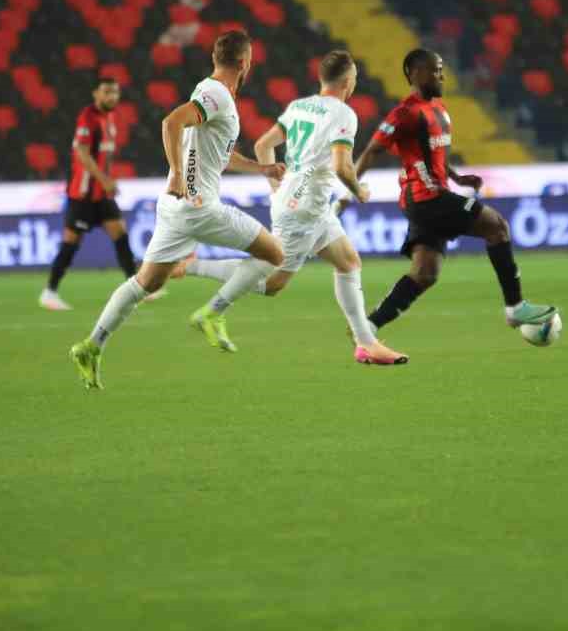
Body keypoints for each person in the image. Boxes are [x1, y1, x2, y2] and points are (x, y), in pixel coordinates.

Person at [69, 31, 285, 391]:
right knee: (275, 254)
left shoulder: (215, 97)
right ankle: (212, 311)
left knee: (146, 282)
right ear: (246, 63)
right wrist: (182, 180)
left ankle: (91, 346)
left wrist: (262, 169)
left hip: (175, 209)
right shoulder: (215, 93)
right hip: (199, 206)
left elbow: (221, 154)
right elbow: (171, 122)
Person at [180, 50, 408, 366]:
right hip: (305, 209)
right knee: (273, 282)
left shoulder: (299, 106)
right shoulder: (343, 114)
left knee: (348, 263)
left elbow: (263, 145)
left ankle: (365, 343)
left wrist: (278, 187)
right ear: (347, 81)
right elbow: (343, 167)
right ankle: (196, 275)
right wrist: (360, 190)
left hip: (306, 205)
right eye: (354, 76)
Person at [351, 49, 556, 336]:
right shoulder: (405, 113)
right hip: (426, 197)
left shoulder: (440, 109)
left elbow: (435, 154)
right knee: (497, 227)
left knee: (425, 274)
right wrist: (352, 185)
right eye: (436, 69)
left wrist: (457, 176)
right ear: (414, 73)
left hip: (431, 195)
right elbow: (372, 150)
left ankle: (368, 326)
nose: (442, 75)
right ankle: (515, 307)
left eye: (441, 69)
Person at [40, 76, 138, 312]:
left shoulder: (110, 118)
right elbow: (82, 153)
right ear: (96, 94)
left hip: (101, 195)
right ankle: (49, 292)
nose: (112, 97)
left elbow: (103, 156)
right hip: (82, 194)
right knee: (71, 243)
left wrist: (107, 179)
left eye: (115, 92)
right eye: (106, 92)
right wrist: (104, 179)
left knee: (120, 234)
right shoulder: (88, 118)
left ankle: (136, 288)